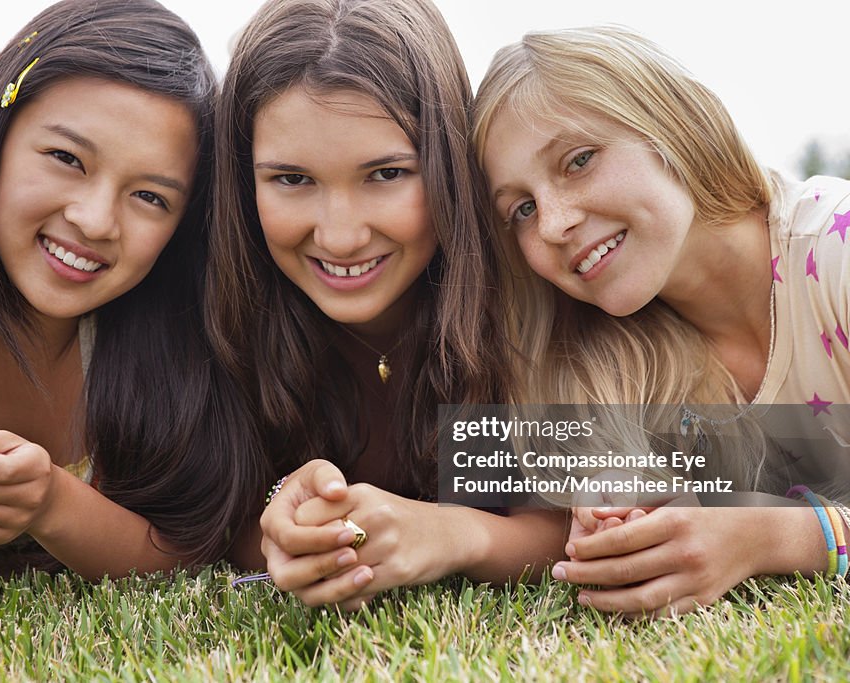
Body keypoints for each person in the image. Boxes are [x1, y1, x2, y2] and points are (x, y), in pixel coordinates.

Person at [0, 0, 264, 636]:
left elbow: (184, 550)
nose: (94, 220)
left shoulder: (175, 323)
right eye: (67, 157)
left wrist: (53, 503)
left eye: (150, 196)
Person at [473, 25, 850, 617]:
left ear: (668, 124)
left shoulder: (835, 252)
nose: (552, 224)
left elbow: (755, 530)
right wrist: (622, 519)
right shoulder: (604, 358)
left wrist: (769, 536)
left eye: (578, 160)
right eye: (521, 209)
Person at [209, 0, 566, 611]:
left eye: (386, 173)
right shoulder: (222, 316)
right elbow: (196, 518)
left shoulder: (522, 302)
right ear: (243, 184)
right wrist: (286, 527)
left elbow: (581, 519)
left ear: (447, 163)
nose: (341, 236)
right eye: (292, 180)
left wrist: (454, 534)